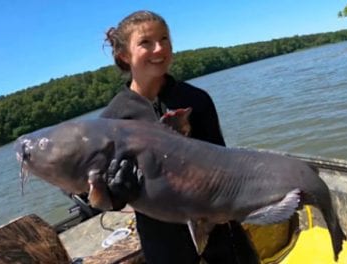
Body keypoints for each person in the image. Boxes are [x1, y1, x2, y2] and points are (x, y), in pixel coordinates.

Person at [100, 10, 259, 264]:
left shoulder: (196, 99)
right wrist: (116, 192)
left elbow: (224, 165)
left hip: (220, 231)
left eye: (164, 39)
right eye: (146, 42)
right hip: (163, 242)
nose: (159, 48)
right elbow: (107, 197)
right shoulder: (113, 120)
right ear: (124, 55)